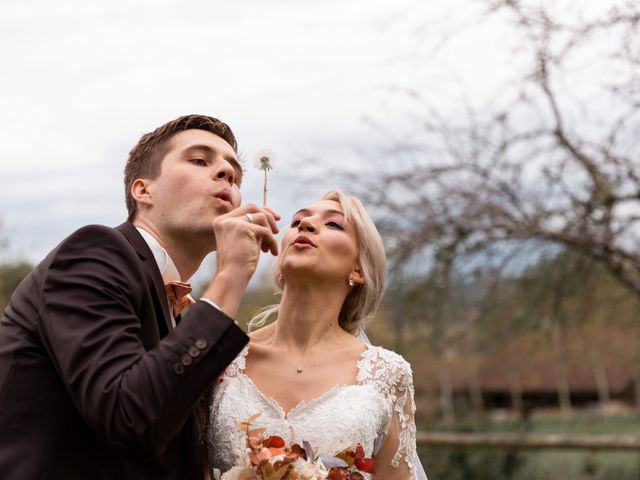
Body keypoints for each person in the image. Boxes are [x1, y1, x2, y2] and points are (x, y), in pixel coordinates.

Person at [0, 114, 280, 479]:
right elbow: (129, 417)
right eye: (199, 160)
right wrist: (229, 277)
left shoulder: (180, 311)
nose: (226, 173)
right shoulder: (95, 252)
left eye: (234, 173)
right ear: (143, 190)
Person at [206, 191, 427, 479]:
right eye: (298, 219)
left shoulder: (387, 375)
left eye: (334, 224)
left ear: (358, 269)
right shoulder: (222, 357)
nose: (305, 224)